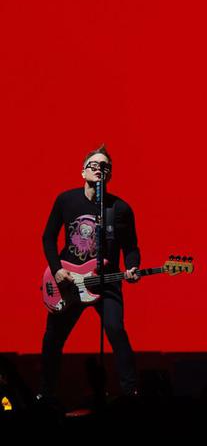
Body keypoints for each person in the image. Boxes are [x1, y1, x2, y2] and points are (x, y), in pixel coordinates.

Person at [39, 144, 141, 400]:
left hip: (106, 282)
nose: (99, 169)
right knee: (53, 339)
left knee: (116, 332)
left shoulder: (121, 209)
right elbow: (48, 237)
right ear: (83, 172)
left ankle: (131, 394)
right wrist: (57, 269)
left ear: (110, 175)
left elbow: (131, 247)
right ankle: (45, 395)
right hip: (68, 283)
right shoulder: (65, 200)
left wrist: (132, 266)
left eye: (104, 167)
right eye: (94, 165)